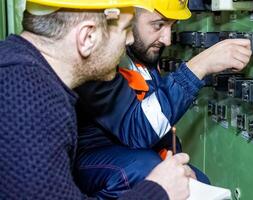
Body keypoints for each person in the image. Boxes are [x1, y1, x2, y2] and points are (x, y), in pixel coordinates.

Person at [0, 0, 195, 199]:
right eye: (126, 29)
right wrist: (157, 191)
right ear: (88, 37)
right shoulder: (27, 104)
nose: (129, 40)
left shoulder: (22, 74)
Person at [74, 1, 253, 199]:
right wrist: (199, 66)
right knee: (145, 169)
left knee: (198, 183)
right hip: (93, 158)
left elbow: (157, 118)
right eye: (158, 25)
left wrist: (171, 167)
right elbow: (137, 129)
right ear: (127, 15)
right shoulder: (99, 58)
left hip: (135, 152)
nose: (167, 39)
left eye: (172, 25)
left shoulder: (142, 52)